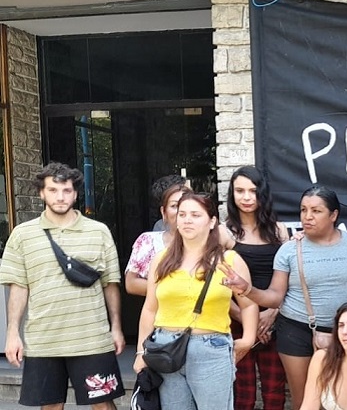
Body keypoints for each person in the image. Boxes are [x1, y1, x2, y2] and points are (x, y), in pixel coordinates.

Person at [220, 185, 347, 410]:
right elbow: (275, 297)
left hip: (345, 332)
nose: (307, 217)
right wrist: (246, 289)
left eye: (316, 211)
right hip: (297, 331)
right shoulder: (289, 250)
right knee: (304, 400)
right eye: (303, 210)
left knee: (342, 399)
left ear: (333, 215)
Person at [0, 162, 125, 408]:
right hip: (43, 340)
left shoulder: (98, 231)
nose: (60, 197)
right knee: (50, 406)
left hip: (92, 339)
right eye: (53, 190)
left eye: (67, 190)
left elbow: (110, 284)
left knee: (103, 404)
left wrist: (117, 327)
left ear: (76, 193)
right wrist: (12, 333)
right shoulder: (22, 235)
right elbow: (19, 287)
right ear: (41, 193)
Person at [133, 192, 259, 410]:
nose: (187, 220)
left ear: (212, 222)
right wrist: (140, 353)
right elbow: (150, 310)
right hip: (166, 349)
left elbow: (248, 304)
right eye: (182, 214)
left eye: (195, 215)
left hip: (211, 348)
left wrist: (248, 339)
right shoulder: (161, 260)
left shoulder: (229, 260)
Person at [225, 166, 289, 410]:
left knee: (274, 393)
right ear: (232, 194)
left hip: (274, 319)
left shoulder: (279, 230)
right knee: (243, 394)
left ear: (263, 193)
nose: (247, 197)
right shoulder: (222, 233)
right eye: (240, 191)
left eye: (253, 191)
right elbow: (215, 286)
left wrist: (270, 314)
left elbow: (288, 278)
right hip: (236, 321)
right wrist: (246, 318)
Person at [125, 183, 191, 296]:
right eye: (174, 206)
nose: (180, 211)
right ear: (163, 212)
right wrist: (173, 291)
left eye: (185, 205)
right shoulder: (148, 241)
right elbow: (131, 283)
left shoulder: (206, 242)